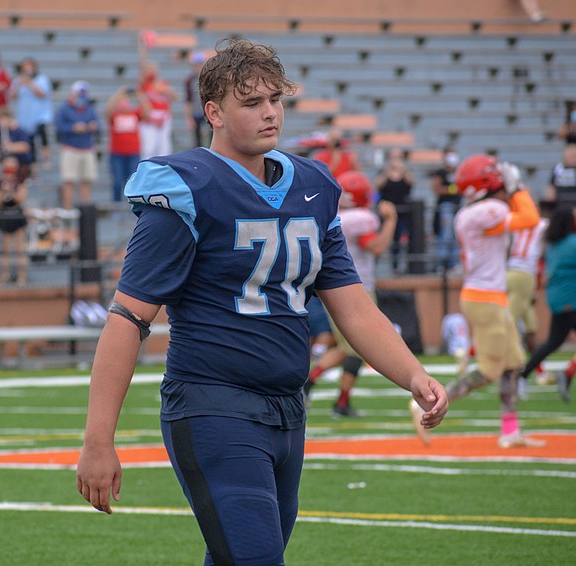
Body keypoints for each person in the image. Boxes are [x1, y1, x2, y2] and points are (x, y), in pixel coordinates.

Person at [75, 37, 448, 564]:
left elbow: (352, 305)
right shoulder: (186, 187)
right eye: (251, 102)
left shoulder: (312, 185)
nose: (270, 112)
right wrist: (98, 441)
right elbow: (128, 318)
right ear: (214, 113)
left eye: (275, 99)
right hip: (213, 404)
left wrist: (413, 375)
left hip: (288, 409)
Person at [411, 154, 540, 449]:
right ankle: (426, 404)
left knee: (513, 363)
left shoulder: (477, 212)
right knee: (490, 370)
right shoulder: (486, 210)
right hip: (484, 298)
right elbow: (530, 219)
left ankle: (510, 430)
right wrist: (518, 188)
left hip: (491, 296)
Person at [303, 171, 398, 417]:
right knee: (357, 348)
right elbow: (376, 246)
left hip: (333, 287)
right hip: (357, 289)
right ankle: (340, 402)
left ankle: (312, 385)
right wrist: (391, 221)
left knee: (347, 347)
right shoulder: (361, 218)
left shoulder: (333, 216)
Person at [518, 205, 576, 402]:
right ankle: (524, 375)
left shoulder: (554, 244)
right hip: (569, 299)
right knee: (553, 341)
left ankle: (566, 374)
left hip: (559, 297)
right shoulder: (571, 243)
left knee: (554, 341)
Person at [506, 199, 550, 397]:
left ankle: (538, 371)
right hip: (524, 276)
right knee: (510, 325)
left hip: (511, 272)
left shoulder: (515, 222)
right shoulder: (541, 224)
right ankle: (516, 375)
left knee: (530, 327)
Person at [55, 80, 100, 209]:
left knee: (86, 181)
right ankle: (68, 210)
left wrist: (93, 127)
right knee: (69, 181)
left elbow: (98, 125)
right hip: (70, 148)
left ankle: (85, 211)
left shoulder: (89, 109)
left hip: (87, 148)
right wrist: (73, 128)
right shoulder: (64, 109)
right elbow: (59, 127)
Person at [104, 86, 148, 202]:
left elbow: (147, 110)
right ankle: (117, 206)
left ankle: (132, 205)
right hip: (117, 153)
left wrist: (139, 95)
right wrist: (119, 93)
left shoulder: (134, 114)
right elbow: (107, 110)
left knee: (133, 182)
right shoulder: (115, 115)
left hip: (133, 153)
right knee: (117, 181)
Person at [137, 38, 178, 160]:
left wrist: (166, 91)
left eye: (153, 68)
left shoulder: (163, 84)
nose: (152, 71)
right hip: (150, 118)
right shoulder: (145, 84)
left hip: (163, 118)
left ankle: (163, 169)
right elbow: (142, 65)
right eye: (150, 69)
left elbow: (175, 97)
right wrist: (142, 48)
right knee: (149, 148)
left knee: (164, 149)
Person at [375, 147, 414, 272]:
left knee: (399, 240)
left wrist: (401, 169)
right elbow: (378, 185)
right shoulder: (383, 173)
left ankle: (396, 267)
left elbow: (411, 182)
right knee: (382, 237)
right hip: (386, 212)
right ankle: (376, 266)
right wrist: (388, 170)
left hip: (402, 212)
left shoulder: (406, 173)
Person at [0, 156, 29, 286]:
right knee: (6, 249)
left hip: (17, 216)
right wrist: (3, 191)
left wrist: (11, 192)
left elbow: (21, 198)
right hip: (4, 217)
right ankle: (4, 275)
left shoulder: (20, 182)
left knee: (20, 248)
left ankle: (21, 276)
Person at [12, 57, 53, 166]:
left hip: (40, 116)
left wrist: (30, 83)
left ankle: (46, 159)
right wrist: (19, 85)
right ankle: (32, 163)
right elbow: (12, 96)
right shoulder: (18, 80)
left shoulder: (42, 79)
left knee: (43, 137)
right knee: (29, 141)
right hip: (25, 117)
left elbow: (42, 94)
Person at [430, 147, 462, 271]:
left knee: (456, 234)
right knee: (446, 234)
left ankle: (453, 263)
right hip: (446, 206)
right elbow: (436, 189)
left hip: (458, 205)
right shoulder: (441, 172)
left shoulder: (459, 171)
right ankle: (441, 263)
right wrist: (452, 189)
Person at [0, 107, 34, 183]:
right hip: (5, 161)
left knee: (10, 162)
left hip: (21, 163)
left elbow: (25, 147)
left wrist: (10, 146)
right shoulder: (1, 132)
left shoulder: (19, 131)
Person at [184, 51, 209, 149]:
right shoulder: (190, 80)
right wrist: (189, 118)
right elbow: (188, 100)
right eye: (196, 64)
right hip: (196, 113)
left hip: (207, 113)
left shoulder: (209, 78)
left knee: (209, 137)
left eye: (200, 64)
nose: (198, 67)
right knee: (197, 141)